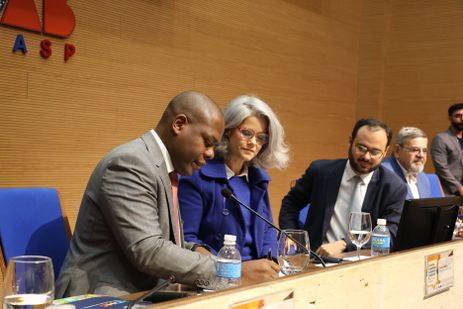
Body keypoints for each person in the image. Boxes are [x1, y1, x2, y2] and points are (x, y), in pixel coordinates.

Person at [56, 91, 277, 298]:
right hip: (101, 294)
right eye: (207, 142)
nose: (211, 153)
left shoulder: (165, 169)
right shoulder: (130, 164)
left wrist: (204, 254)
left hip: (146, 291)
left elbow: (171, 242)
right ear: (179, 124)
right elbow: (149, 250)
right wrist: (231, 272)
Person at [178, 95, 289, 262]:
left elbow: (268, 230)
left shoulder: (258, 180)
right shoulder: (197, 176)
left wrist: (270, 262)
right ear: (228, 131)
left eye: (261, 137)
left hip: (258, 276)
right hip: (217, 277)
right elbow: (187, 240)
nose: (253, 142)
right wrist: (231, 271)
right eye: (247, 133)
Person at [279, 118, 407, 257]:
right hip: (316, 259)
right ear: (350, 142)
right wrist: (291, 234)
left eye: (375, 152)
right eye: (361, 148)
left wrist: (344, 244)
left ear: (385, 151)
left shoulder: (393, 186)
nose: (366, 156)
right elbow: (291, 203)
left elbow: (389, 235)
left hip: (362, 261)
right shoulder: (321, 172)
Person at [382, 127, 441, 198]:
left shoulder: (423, 178)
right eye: (415, 150)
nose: (421, 155)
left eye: (424, 151)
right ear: (397, 151)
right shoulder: (384, 174)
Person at [431, 103, 463, 196]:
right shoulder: (441, 139)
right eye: (458, 116)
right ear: (450, 118)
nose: (462, 119)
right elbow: (441, 168)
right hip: (448, 192)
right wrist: (459, 187)